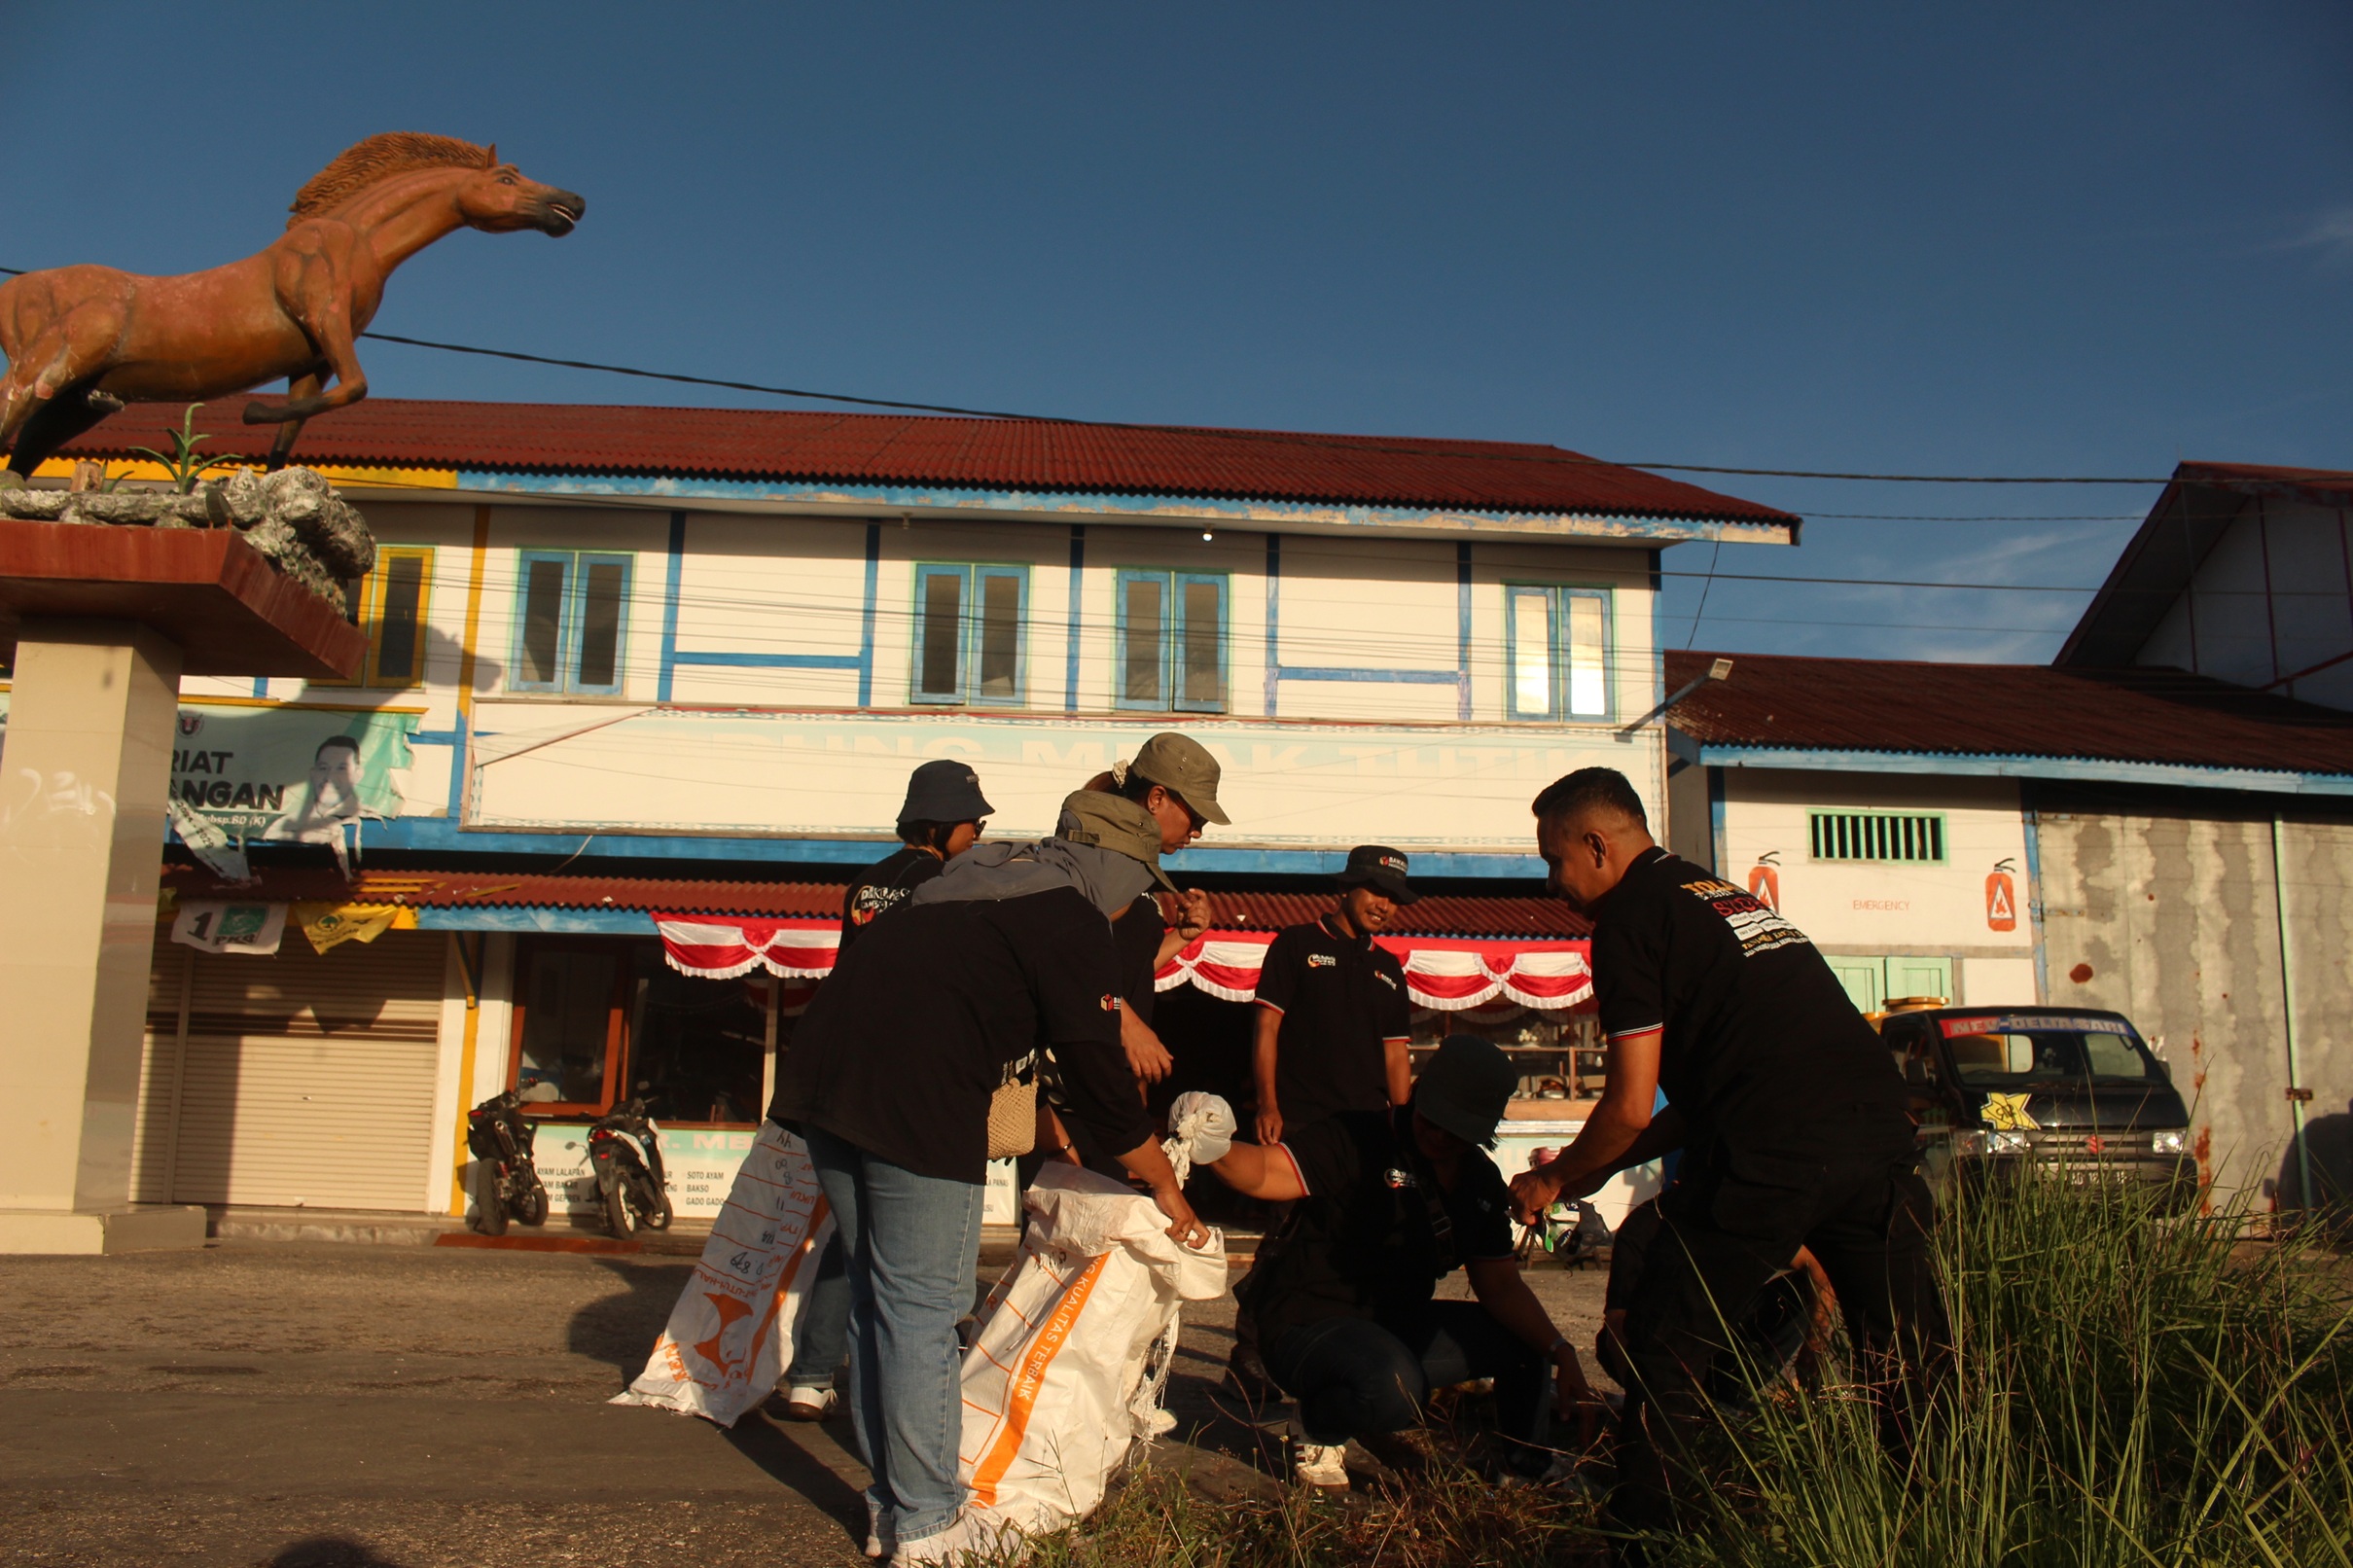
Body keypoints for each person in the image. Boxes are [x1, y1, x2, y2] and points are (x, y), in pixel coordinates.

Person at [1506, 767, 1948, 1541]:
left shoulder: (1629, 920)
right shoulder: (1721, 899)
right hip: (1877, 1135)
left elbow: (1629, 1104)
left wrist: (1553, 1176)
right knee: (1907, 1353)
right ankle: (1936, 1522)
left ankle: (1650, 1542)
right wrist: (1594, 1169)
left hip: (1774, 1154)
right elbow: (1707, 1098)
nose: (1554, 882)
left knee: (1664, 1348)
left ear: (1596, 845)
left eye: (1556, 859)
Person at [769, 790, 1207, 1566]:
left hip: (822, 1086)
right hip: (917, 1102)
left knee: (876, 1303)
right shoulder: (1069, 913)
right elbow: (1100, 1078)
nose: (1137, 901)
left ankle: (892, 1507)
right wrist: (1163, 1185)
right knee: (923, 1312)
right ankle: (929, 1525)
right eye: (1141, 881)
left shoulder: (959, 883)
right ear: (1115, 864)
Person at [1175, 1035, 1601, 1487]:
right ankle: (1318, 1424)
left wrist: (1561, 1351)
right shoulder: (1355, 1137)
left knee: (1525, 1340)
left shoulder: (1478, 1180)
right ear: (1418, 1093)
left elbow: (1502, 1288)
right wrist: (1218, 1148)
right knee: (1393, 1387)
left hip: (1393, 1326)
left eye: (1456, 1131)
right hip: (1306, 1324)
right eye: (1432, 1120)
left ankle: (1526, 1466)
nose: (1439, 1136)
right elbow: (1265, 1172)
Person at [782, 760, 995, 1423]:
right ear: (941, 823)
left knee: (856, 1249)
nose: (979, 832)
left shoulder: (865, 882)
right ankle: (898, 1408)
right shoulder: (947, 884)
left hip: (836, 1073)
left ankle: (812, 1378)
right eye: (972, 821)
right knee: (903, 1276)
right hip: (902, 1080)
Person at [1035, 733, 1225, 1173]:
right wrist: (1124, 1018)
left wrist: (1182, 937)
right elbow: (1063, 965)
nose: (1198, 831)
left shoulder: (1134, 878)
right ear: (1157, 798)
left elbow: (1122, 970)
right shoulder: (1093, 866)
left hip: (1107, 1102)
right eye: (1196, 815)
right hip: (1065, 1103)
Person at [1251, 845, 1417, 1148]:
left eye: (1394, 898)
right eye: (1377, 891)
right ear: (1344, 887)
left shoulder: (1389, 966)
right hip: (1297, 1123)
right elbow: (1267, 1026)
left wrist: (1403, 1125)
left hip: (1368, 1130)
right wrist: (1268, 1106)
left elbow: (1395, 1053)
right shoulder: (1295, 943)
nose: (1384, 906)